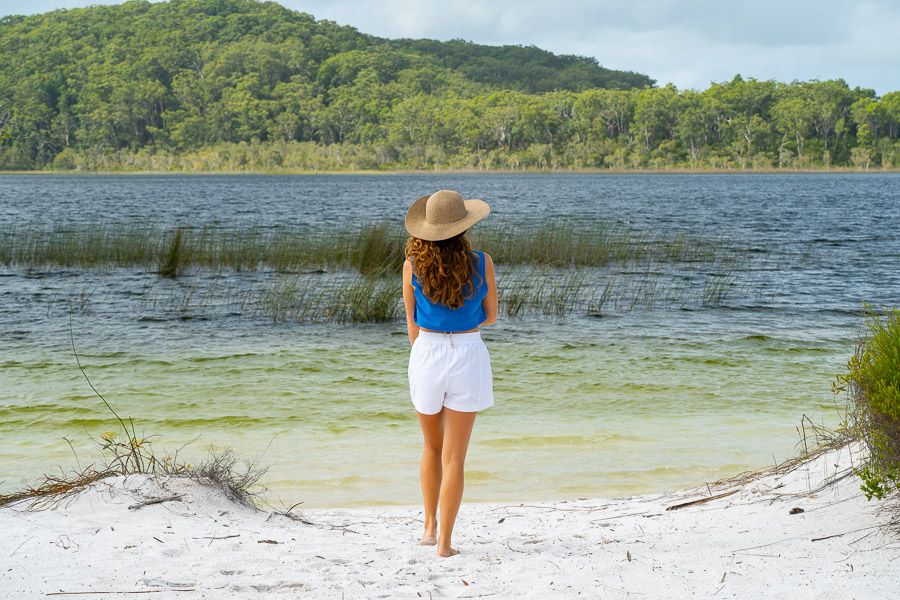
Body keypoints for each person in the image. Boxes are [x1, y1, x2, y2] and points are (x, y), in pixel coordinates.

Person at [402, 189, 498, 558]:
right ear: (463, 226)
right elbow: (490, 316)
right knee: (454, 457)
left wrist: (425, 351)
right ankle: (445, 545)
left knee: (431, 446)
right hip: (468, 352)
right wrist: (463, 320)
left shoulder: (412, 263)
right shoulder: (482, 261)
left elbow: (411, 321)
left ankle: (429, 528)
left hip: (426, 352)